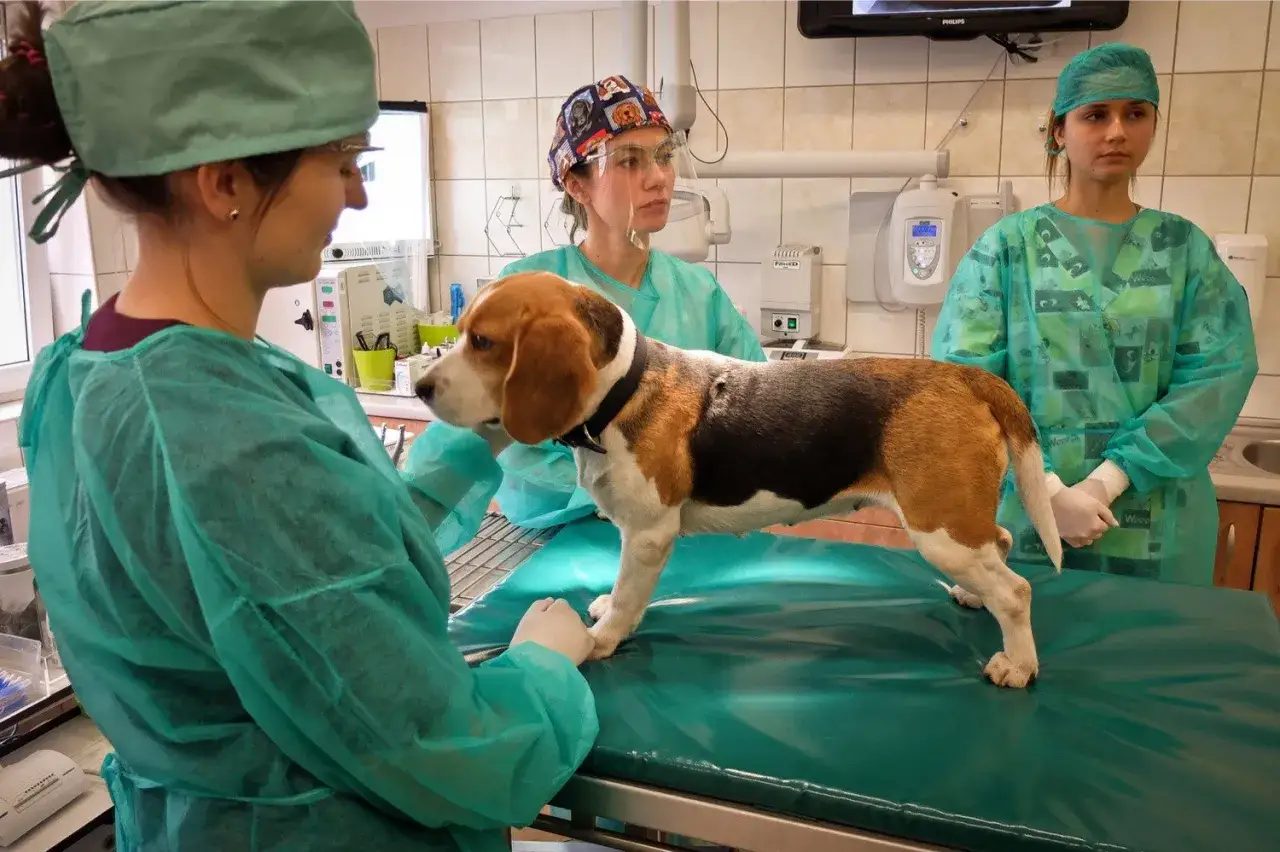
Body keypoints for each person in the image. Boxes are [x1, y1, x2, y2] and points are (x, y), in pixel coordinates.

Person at [6, 2, 598, 849]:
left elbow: (315, 556)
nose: (358, 194)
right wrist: (543, 665)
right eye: (344, 162)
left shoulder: (81, 375)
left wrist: (484, 431)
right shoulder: (226, 431)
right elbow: (436, 745)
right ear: (225, 182)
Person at [931, 42, 1258, 586]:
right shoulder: (1007, 250)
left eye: (1136, 113)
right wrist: (1046, 490)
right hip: (1026, 528)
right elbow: (966, 385)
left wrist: (1108, 480)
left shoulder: (1183, 251)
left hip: (1159, 530)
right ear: (1059, 131)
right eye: (1096, 115)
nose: (1117, 132)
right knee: (1023, 633)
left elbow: (1216, 377)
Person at [407, 75, 766, 531]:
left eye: (663, 156)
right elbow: (469, 435)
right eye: (630, 161)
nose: (658, 178)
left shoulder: (698, 293)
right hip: (560, 533)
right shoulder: (530, 292)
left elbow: (760, 413)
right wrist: (399, 526)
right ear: (577, 185)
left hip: (680, 530)